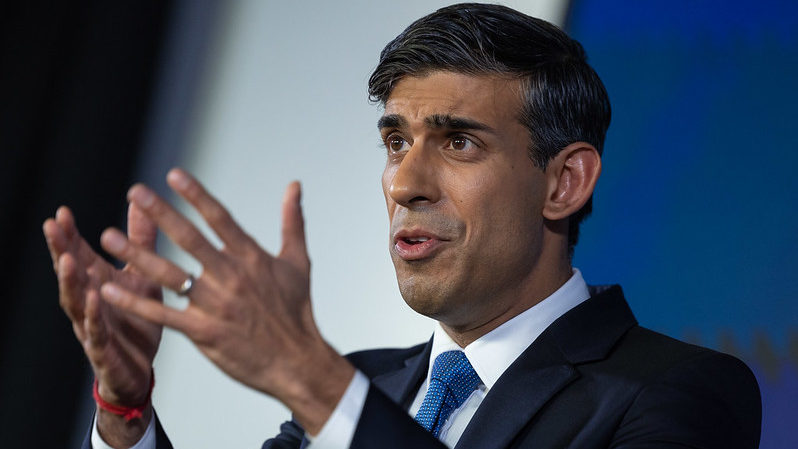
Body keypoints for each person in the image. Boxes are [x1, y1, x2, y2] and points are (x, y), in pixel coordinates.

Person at [43, 3, 761, 448]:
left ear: (563, 181)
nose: (406, 183)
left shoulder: (680, 391)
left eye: (459, 142)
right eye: (396, 141)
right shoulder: (365, 384)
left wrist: (312, 378)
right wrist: (125, 411)